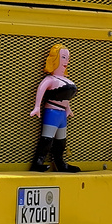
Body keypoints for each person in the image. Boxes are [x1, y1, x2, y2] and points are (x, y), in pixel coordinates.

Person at [29, 44, 81, 173]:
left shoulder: (64, 79)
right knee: (47, 139)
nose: (66, 61)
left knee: (61, 141)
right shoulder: (50, 79)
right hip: (52, 111)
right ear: (56, 58)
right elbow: (41, 90)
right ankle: (37, 162)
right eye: (63, 57)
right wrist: (37, 107)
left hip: (62, 114)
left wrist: (68, 108)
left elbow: (66, 97)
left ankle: (60, 163)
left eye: (67, 58)